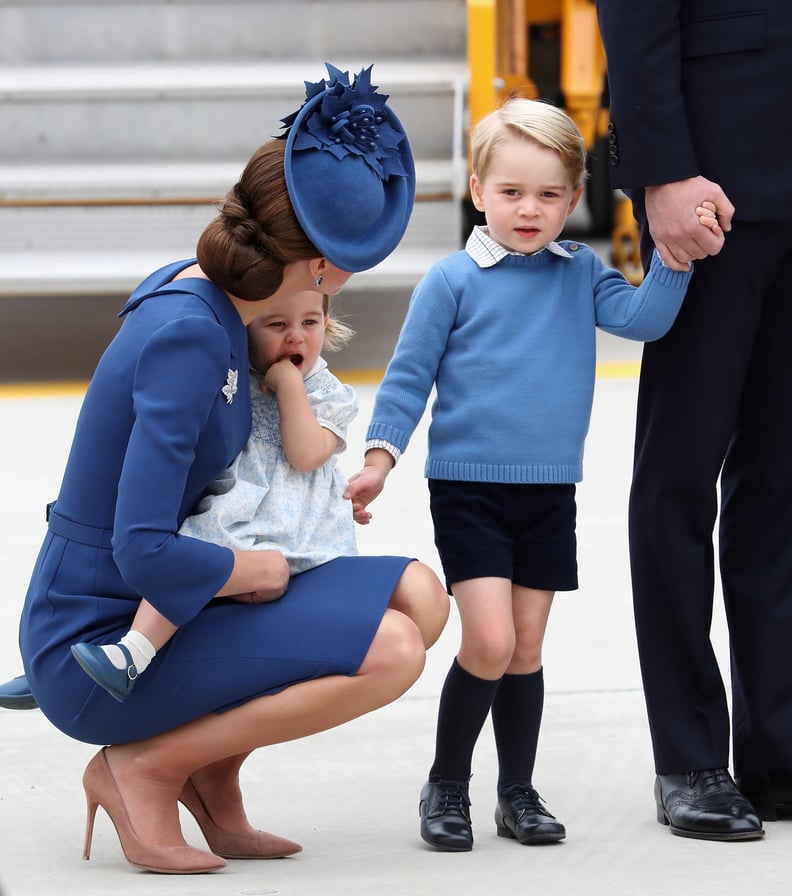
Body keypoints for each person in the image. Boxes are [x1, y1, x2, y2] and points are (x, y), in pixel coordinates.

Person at [6, 63, 450, 874]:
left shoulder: (221, 304)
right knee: (392, 651)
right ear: (319, 263)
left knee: (423, 596)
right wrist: (255, 565)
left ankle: (212, 770)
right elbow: (141, 549)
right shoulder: (190, 336)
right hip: (104, 633)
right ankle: (143, 767)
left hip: (175, 600)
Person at [343, 97, 697, 852]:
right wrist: (380, 458)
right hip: (468, 490)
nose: (529, 210)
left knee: (527, 647)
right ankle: (445, 783)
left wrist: (675, 258)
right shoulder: (451, 281)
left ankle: (517, 792)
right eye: (511, 193)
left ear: (574, 198)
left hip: (548, 492)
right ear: (477, 191)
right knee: (490, 642)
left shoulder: (581, 272)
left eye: (548, 195)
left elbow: (644, 322)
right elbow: (408, 379)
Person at [595, 0, 792, 842]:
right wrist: (662, 170)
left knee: (783, 487)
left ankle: (778, 750)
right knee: (679, 479)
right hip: (712, 178)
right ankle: (688, 757)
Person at [69, 290, 361, 701]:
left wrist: (289, 385)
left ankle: (130, 654)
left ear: (327, 326)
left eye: (310, 323)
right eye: (277, 325)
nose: (296, 337)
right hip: (237, 513)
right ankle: (86, 665)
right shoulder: (237, 375)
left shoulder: (328, 393)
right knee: (183, 553)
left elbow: (306, 454)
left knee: (199, 554)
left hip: (290, 535)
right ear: (246, 331)